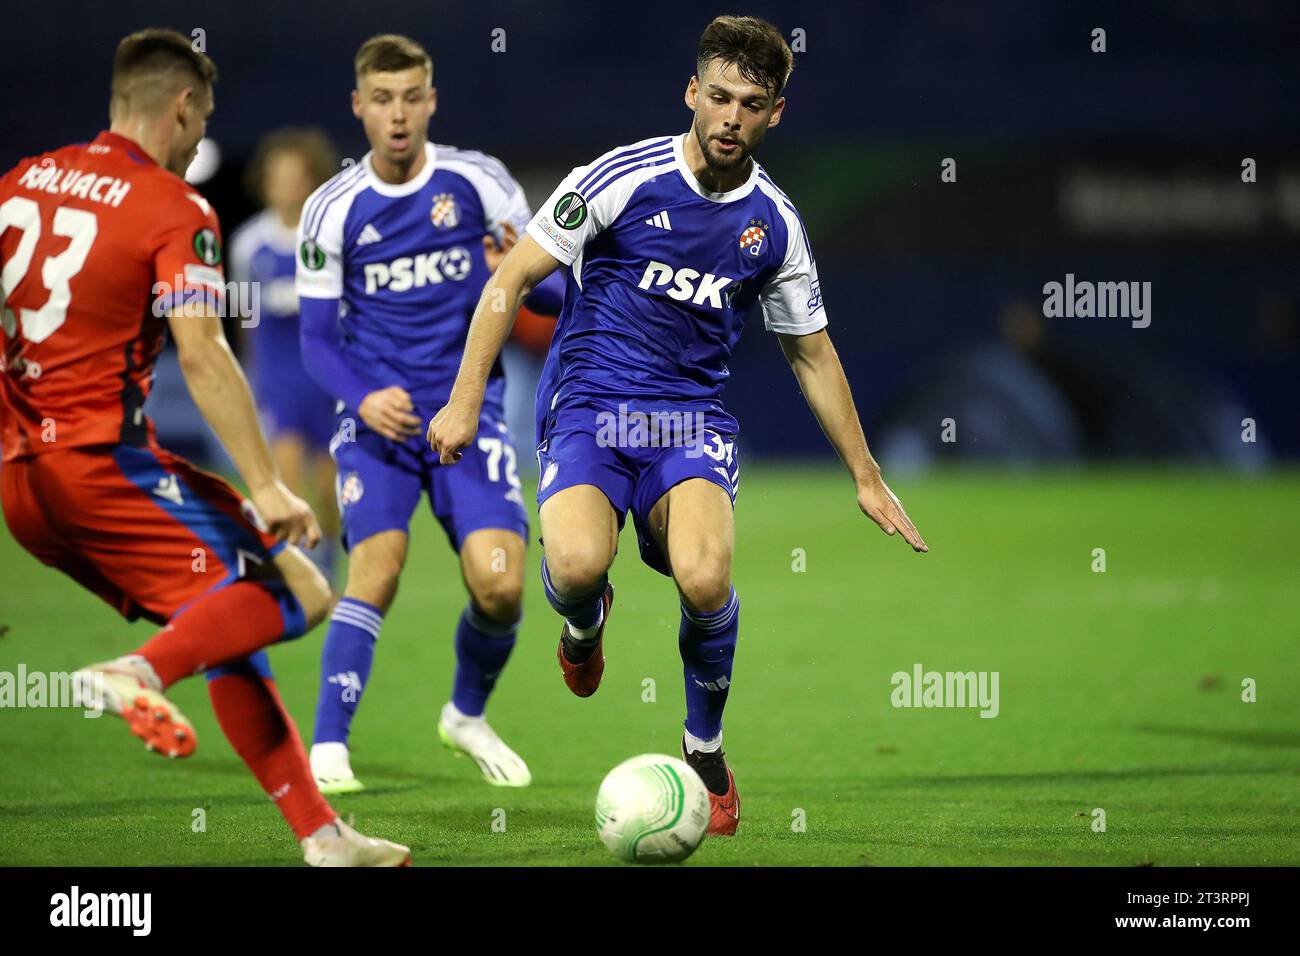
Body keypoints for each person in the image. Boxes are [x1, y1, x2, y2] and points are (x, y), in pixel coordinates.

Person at [428, 15, 927, 837]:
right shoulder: (619, 178)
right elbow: (511, 279)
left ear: (776, 114)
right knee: (581, 566)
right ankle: (585, 625)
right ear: (692, 92)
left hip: (689, 421)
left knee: (703, 579)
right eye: (720, 96)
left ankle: (704, 750)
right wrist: (465, 398)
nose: (732, 116)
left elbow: (811, 352)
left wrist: (867, 478)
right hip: (589, 406)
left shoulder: (775, 223)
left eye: (753, 103)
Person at [0, 28, 408, 866]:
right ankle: (135, 673)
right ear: (183, 107)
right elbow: (204, 350)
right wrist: (264, 483)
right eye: (204, 118)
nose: (199, 141)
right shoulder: (172, 206)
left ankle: (323, 837)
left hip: (22, 490)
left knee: (223, 617)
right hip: (100, 469)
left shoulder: (18, 184)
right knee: (300, 585)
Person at [298, 34, 564, 793]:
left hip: (468, 418)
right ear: (359, 107)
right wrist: (361, 397)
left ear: (431, 102)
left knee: (503, 584)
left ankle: (465, 715)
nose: (398, 114)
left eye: (412, 97)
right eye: (382, 100)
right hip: (377, 425)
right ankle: (328, 748)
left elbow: (543, 295)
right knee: (374, 571)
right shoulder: (330, 209)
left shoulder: (480, 184)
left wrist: (518, 270)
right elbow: (316, 340)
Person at [230, 128, 341, 579]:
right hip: (279, 378)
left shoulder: (329, 238)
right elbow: (243, 316)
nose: (286, 185)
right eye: (277, 176)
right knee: (286, 480)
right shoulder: (248, 244)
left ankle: (329, 554)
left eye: (295, 176)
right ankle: (299, 577)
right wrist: (247, 374)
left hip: (327, 376)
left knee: (329, 486)